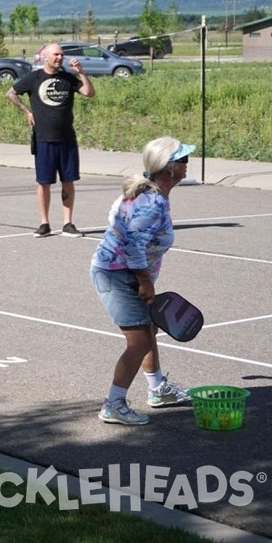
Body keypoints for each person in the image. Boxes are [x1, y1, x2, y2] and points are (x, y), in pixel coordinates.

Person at [89, 137, 194, 426]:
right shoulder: (151, 201)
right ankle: (113, 404)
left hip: (125, 272)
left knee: (148, 332)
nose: (187, 164)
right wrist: (145, 282)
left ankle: (158, 389)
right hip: (115, 274)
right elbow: (133, 245)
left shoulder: (153, 194)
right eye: (183, 160)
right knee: (139, 341)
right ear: (169, 167)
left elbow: (117, 221)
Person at [6, 43, 95, 237]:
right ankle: (44, 223)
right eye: (56, 54)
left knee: (68, 181)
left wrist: (81, 73)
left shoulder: (68, 78)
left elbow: (89, 93)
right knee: (44, 182)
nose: (59, 58)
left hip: (67, 139)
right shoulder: (34, 78)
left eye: (61, 55)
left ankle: (68, 223)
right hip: (44, 138)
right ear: (45, 57)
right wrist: (27, 111)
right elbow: (11, 93)